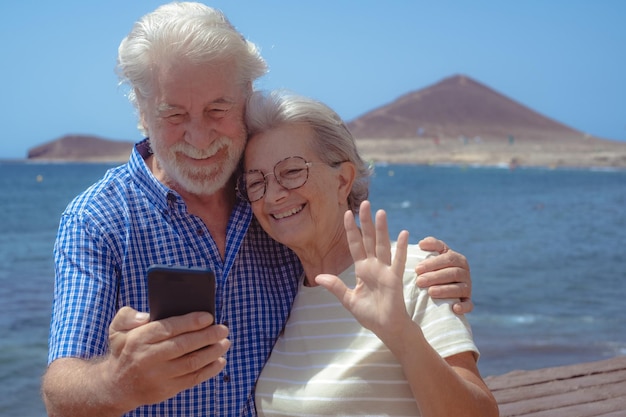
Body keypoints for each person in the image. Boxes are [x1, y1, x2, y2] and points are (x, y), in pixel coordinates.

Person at [42, 3, 474, 417]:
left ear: (246, 97)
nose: (198, 136)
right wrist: (119, 382)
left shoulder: (265, 197)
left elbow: (337, 229)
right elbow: (59, 395)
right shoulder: (98, 220)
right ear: (140, 109)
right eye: (173, 114)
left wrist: (431, 273)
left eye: (217, 109)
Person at [240, 91, 498, 416]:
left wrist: (402, 335)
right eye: (256, 182)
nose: (274, 194)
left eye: (292, 172)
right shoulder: (275, 292)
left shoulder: (414, 273)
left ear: (343, 179)